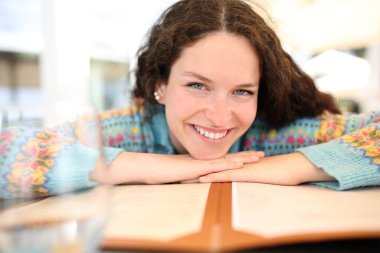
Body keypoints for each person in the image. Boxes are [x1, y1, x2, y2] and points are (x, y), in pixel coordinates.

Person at [0, 0, 379, 199]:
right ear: (160, 86)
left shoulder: (282, 134)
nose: (218, 116)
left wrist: (289, 168)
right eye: (197, 85)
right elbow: (8, 151)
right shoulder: (126, 130)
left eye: (242, 91)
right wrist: (155, 167)